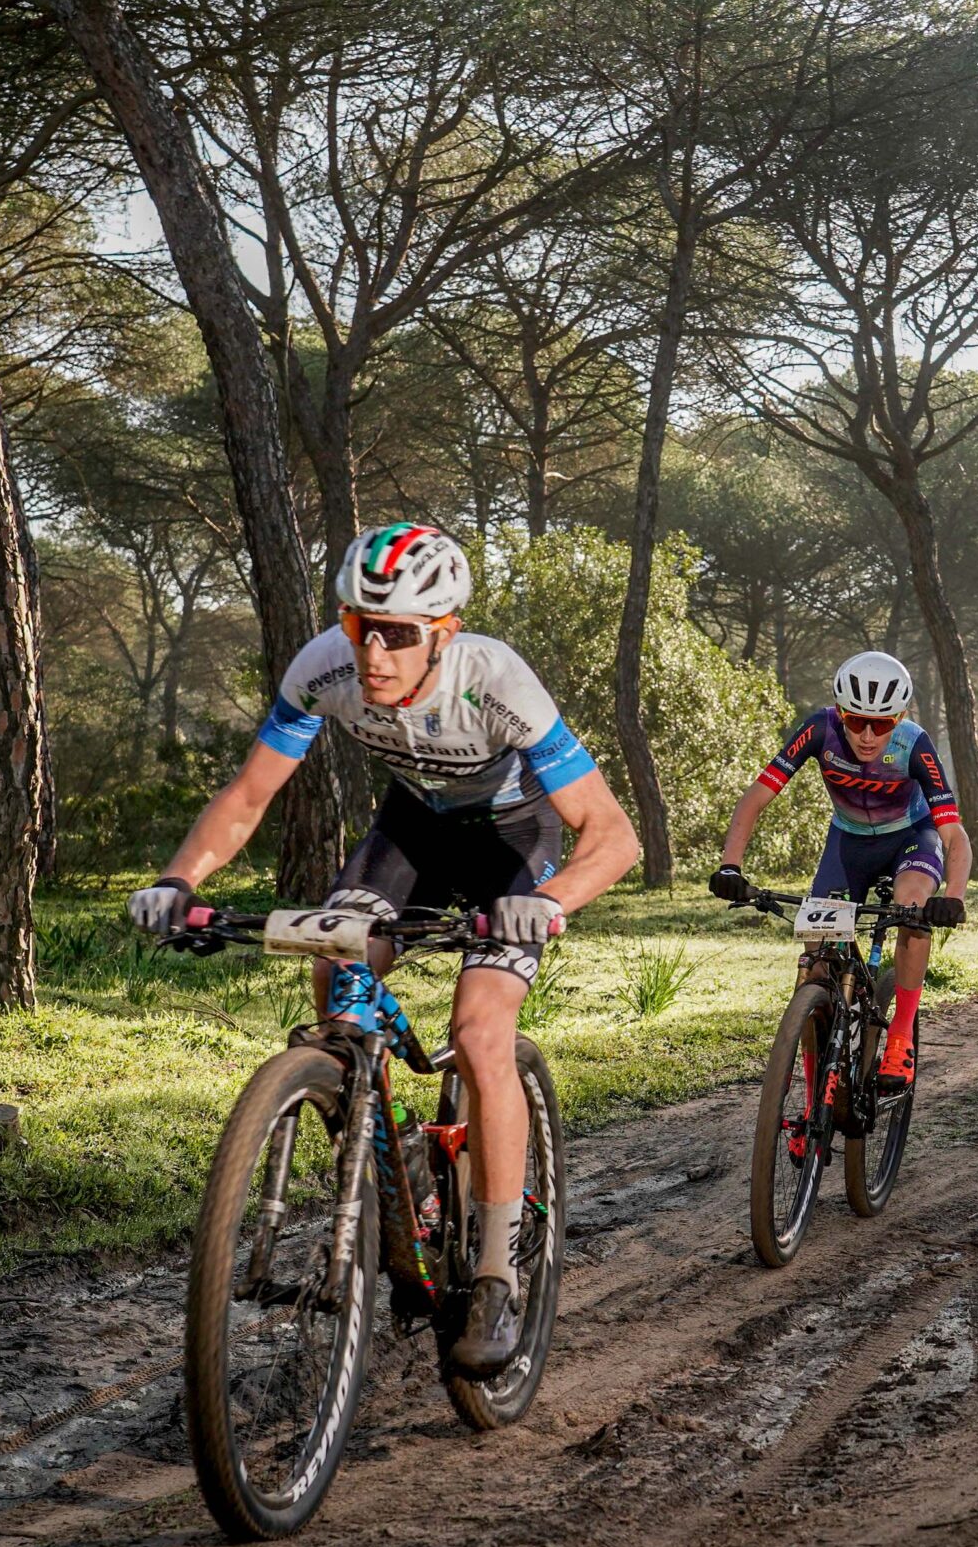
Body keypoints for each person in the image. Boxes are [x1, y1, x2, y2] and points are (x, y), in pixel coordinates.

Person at [127, 522, 638, 1376]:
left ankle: (496, 1275)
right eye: (362, 624)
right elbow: (251, 796)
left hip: (514, 839)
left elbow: (612, 835)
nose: (374, 651)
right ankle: (381, 1149)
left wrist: (543, 904)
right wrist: (179, 880)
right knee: (339, 968)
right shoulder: (322, 666)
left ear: (443, 631)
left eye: (398, 633)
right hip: (411, 830)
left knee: (481, 1033)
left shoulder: (496, 679)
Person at [709, 651, 970, 1089]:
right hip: (848, 843)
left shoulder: (915, 744)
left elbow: (954, 835)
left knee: (913, 911)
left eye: (882, 723)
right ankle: (816, 1095)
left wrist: (954, 897)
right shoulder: (819, 728)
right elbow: (755, 797)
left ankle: (901, 1034)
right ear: (839, 712)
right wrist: (730, 866)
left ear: (900, 717)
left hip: (910, 837)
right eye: (855, 720)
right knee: (815, 959)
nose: (867, 735)